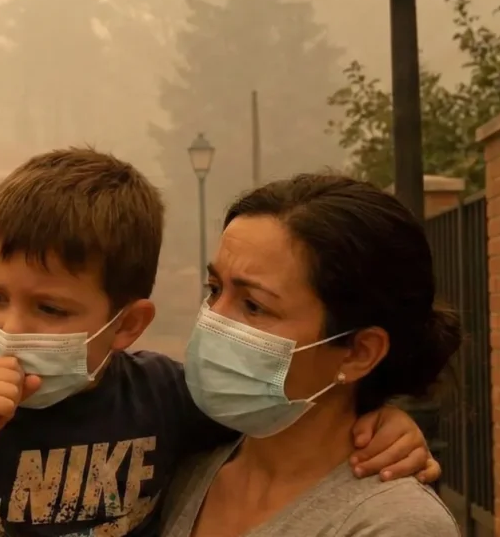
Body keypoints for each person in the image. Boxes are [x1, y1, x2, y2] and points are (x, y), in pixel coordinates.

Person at [0, 149, 441, 537]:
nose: (12, 328)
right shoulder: (201, 467)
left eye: (254, 305)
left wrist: (384, 418)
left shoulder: (164, 404)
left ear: (128, 325)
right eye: (214, 290)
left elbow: (319, 435)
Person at [162, 173, 461, 536]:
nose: (212, 319)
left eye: (254, 306)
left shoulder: (392, 523)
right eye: (214, 289)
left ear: (358, 353)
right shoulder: (177, 465)